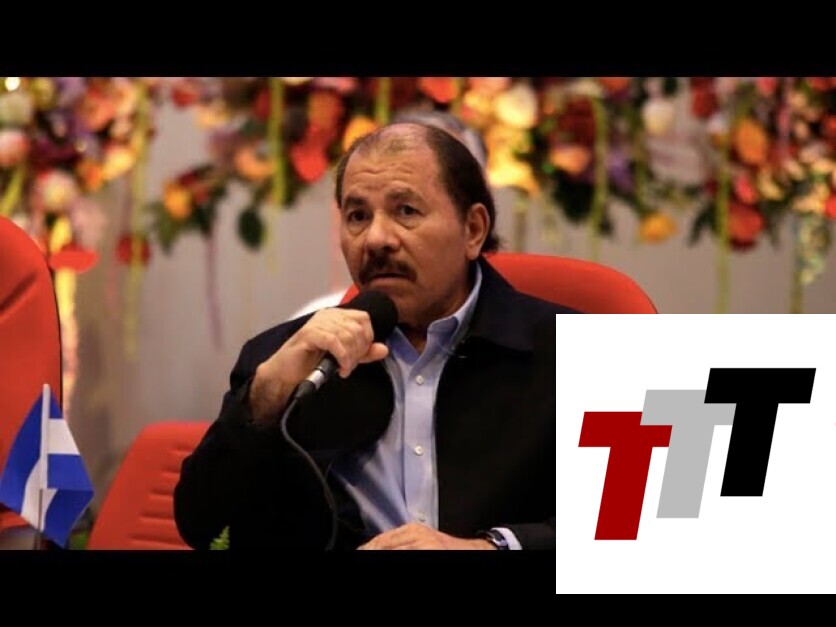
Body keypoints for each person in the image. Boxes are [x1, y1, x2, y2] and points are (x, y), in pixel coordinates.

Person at [173, 121, 579, 550]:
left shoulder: (590, 354)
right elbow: (201, 525)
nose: (376, 239)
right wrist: (266, 397)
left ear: (473, 229)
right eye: (358, 216)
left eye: (406, 211)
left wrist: (489, 548)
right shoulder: (290, 358)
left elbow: (629, 536)